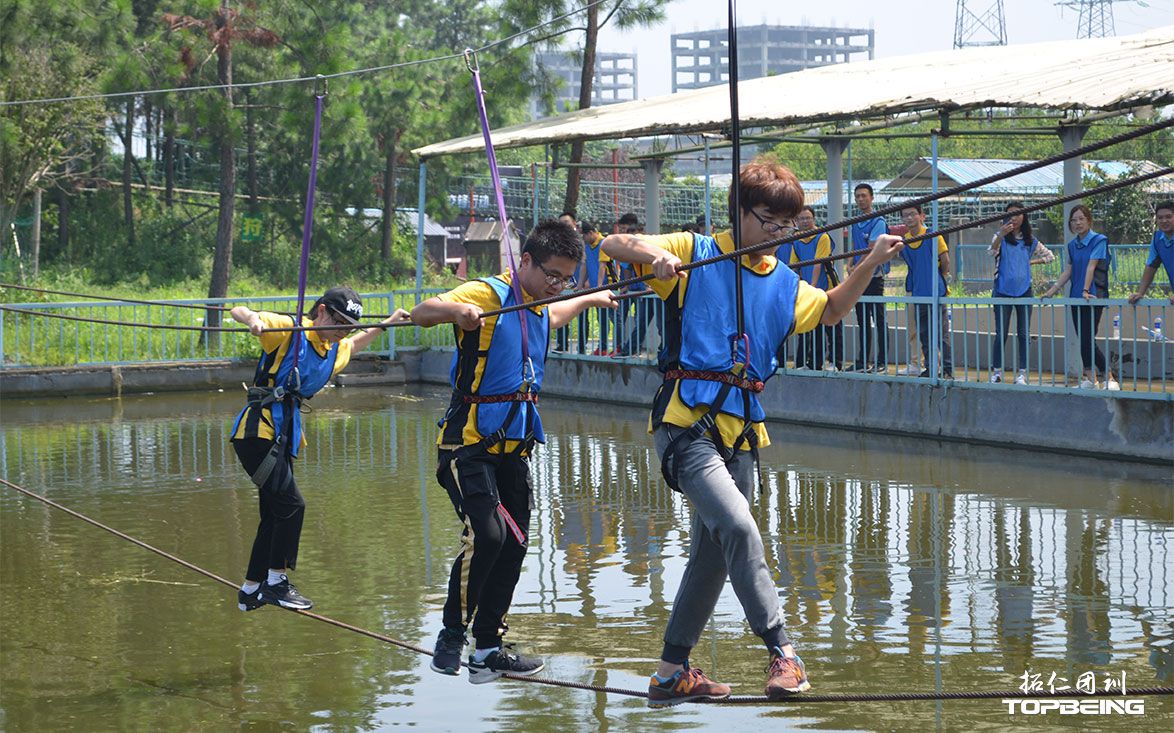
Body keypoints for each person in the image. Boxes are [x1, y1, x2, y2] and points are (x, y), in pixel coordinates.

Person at [601, 159, 905, 706]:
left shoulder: (786, 282)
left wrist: (870, 261)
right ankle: (784, 650)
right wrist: (657, 257)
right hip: (685, 426)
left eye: (787, 225)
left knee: (716, 552)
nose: (778, 234)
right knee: (739, 529)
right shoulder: (696, 251)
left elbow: (834, 309)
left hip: (742, 436)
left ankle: (671, 671)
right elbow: (615, 244)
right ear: (739, 213)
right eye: (769, 221)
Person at [413, 220, 615, 683]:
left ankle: (488, 648)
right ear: (524, 261)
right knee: (487, 536)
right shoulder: (487, 294)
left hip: (513, 451)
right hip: (468, 447)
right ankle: (451, 634)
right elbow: (423, 311)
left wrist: (588, 297)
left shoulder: (543, 305)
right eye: (552, 275)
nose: (557, 285)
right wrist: (456, 313)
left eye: (565, 278)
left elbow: (557, 314)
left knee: (516, 545)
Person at [230, 288, 410, 612]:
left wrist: (387, 323)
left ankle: (250, 589)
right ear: (322, 311)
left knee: (275, 513)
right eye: (339, 323)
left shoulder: (332, 349)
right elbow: (239, 310)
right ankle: (276, 582)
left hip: (283, 436)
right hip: (257, 433)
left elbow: (354, 345)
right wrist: (254, 321)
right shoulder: (291, 329)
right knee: (292, 505)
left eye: (348, 327)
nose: (344, 332)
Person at [1043, 205, 1119, 390]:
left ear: (1089, 220)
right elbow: (1068, 270)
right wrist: (1051, 291)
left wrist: (1085, 290)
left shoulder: (1099, 240)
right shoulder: (1072, 245)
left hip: (1093, 295)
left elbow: (1091, 266)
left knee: (1087, 338)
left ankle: (1109, 377)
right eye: (1074, 220)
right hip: (1076, 297)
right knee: (1083, 339)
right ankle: (1091, 379)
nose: (1077, 223)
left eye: (1081, 219)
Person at [988, 203, 1055, 385]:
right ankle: (996, 372)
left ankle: (1022, 373)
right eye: (1010, 214)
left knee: (1023, 333)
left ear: (1024, 217)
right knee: (1001, 333)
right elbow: (991, 252)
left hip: (1024, 290)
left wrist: (1032, 262)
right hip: (1002, 291)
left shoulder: (1030, 240)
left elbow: (1050, 256)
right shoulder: (1000, 237)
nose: (1014, 218)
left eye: (1018, 214)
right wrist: (1000, 235)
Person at [899, 205, 953, 379]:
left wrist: (940, 279)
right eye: (905, 215)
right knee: (924, 333)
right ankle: (930, 367)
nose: (909, 218)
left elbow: (945, 261)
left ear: (921, 216)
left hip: (936, 291)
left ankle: (946, 369)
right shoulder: (904, 242)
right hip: (918, 293)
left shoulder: (933, 235)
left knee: (941, 334)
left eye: (913, 214)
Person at [846, 184, 890, 373]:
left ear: (871, 198)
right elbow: (856, 245)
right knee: (862, 320)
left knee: (879, 319)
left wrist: (858, 267)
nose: (861, 199)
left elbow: (872, 248)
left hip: (873, 276)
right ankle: (863, 360)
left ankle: (882, 361)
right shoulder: (856, 221)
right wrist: (849, 263)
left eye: (864, 196)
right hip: (859, 277)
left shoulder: (878, 221)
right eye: (857, 196)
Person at [790, 206, 835, 370]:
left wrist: (813, 287)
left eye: (808, 218)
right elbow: (794, 266)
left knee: (830, 326)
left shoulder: (822, 236)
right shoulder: (796, 240)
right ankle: (807, 363)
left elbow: (818, 263)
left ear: (814, 219)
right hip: (809, 289)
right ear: (796, 221)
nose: (805, 221)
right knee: (809, 326)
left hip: (825, 288)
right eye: (801, 219)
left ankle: (834, 362)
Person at [1128, 200, 1174, 306]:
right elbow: (1151, 267)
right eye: (1160, 218)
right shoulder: (1157, 239)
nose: (1164, 220)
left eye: (1168, 217)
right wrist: (1140, 292)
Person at [553, 211, 581, 352]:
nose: (563, 227)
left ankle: (581, 348)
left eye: (566, 223)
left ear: (574, 224)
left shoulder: (581, 242)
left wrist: (582, 283)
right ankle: (562, 345)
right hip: (564, 286)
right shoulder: (558, 244)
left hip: (579, 287)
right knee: (561, 316)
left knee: (582, 318)